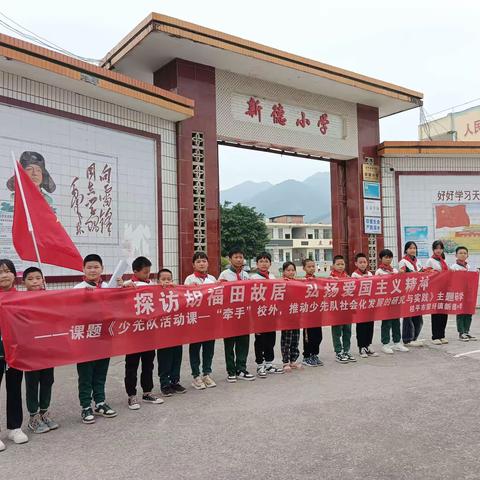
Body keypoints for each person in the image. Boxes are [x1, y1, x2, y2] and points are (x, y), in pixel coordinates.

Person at [74, 254, 118, 424]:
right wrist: (86, 297)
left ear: (102, 269)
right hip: (85, 337)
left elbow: (118, 304)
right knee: (85, 373)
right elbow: (72, 312)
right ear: (83, 269)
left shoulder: (107, 286)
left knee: (101, 371)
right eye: (89, 267)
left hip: (104, 335)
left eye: (96, 267)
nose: (93, 270)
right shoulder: (78, 288)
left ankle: (100, 402)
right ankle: (85, 406)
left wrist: (120, 287)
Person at [124, 256, 163, 410]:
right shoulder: (129, 285)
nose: (148, 275)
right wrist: (124, 287)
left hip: (149, 331)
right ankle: (131, 395)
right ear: (135, 271)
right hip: (134, 332)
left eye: (149, 272)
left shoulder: (151, 285)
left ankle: (147, 392)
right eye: (145, 272)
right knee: (132, 365)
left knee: (148, 364)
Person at [23, 267, 59, 434]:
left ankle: (44, 412)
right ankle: (33, 417)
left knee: (47, 380)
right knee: (32, 383)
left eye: (38, 278)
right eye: (30, 279)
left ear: (43, 280)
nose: (35, 281)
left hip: (48, 348)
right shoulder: (20, 300)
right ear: (24, 282)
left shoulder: (49, 298)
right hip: (30, 350)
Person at [0, 259, 28, 450]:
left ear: (14, 274)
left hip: (16, 350)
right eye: (0, 272)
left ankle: (14, 427)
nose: (4, 275)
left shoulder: (22, 298)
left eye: (8, 271)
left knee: (15, 388)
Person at [218, 247, 255, 382]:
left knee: (243, 343)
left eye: (241, 257)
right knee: (229, 344)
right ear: (230, 259)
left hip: (243, 313)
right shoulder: (224, 274)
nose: (239, 259)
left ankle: (241, 368)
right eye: (236, 257)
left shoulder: (246, 275)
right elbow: (219, 293)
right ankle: (231, 371)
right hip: (229, 314)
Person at [184, 252, 217, 390]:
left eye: (204, 261)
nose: (201, 263)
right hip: (196, 319)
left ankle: (206, 374)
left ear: (208, 263)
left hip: (210, 319)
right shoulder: (189, 280)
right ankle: (196, 376)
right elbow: (185, 299)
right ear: (193, 265)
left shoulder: (212, 278)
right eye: (198, 262)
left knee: (209, 348)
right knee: (195, 348)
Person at [251, 252, 283, 377]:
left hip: (271, 313)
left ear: (270, 263)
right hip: (259, 314)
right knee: (260, 340)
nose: (264, 264)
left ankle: (269, 363)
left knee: (271, 339)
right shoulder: (253, 278)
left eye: (266, 261)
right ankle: (260, 365)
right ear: (257, 263)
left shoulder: (273, 277)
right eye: (261, 261)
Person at [156, 268, 187, 396]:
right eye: (163, 279)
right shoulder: (154, 293)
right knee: (164, 358)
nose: (167, 282)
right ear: (158, 281)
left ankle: (175, 381)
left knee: (176, 357)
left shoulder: (177, 292)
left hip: (176, 331)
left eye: (169, 279)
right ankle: (164, 383)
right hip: (163, 333)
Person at [376, 249, 409, 355]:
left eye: (390, 257)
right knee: (386, 322)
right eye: (386, 257)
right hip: (385, 301)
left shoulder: (395, 271)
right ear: (380, 259)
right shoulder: (379, 272)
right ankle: (385, 343)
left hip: (395, 301)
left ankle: (397, 342)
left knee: (396, 322)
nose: (388, 259)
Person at [330, 255, 356, 364]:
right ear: (333, 266)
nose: (340, 266)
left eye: (342, 264)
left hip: (347, 308)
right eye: (338, 264)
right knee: (337, 331)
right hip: (336, 308)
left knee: (347, 331)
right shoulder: (331, 278)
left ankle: (346, 350)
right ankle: (338, 352)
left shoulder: (347, 276)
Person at [351, 253, 378, 358]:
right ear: (356, 263)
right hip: (360, 305)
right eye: (360, 262)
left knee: (370, 326)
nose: (363, 264)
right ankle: (361, 347)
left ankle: (368, 345)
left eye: (364, 262)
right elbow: (354, 289)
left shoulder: (370, 274)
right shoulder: (354, 275)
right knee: (361, 326)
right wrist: (362, 279)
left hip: (369, 304)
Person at [398, 241, 425, 347]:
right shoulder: (403, 262)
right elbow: (403, 274)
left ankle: (414, 338)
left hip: (418, 292)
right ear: (406, 250)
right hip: (408, 293)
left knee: (418, 316)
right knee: (408, 316)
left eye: (414, 248)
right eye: (410, 248)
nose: (412, 250)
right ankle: (407, 339)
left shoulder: (418, 262)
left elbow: (423, 273)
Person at [425, 240, 449, 345]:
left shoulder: (443, 260)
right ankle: (435, 336)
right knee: (436, 314)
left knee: (444, 313)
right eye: (436, 248)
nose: (438, 250)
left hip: (444, 289)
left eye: (440, 248)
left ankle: (442, 335)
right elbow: (427, 274)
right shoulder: (430, 260)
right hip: (435, 290)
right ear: (433, 249)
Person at [450, 246, 477, 342]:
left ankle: (467, 331)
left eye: (465, 253)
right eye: (460, 253)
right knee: (460, 313)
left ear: (467, 255)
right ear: (456, 255)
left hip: (469, 293)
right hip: (459, 293)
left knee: (468, 312)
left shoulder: (469, 267)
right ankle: (461, 333)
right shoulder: (454, 267)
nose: (463, 254)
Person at [301, 258, 323, 367]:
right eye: (309, 266)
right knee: (308, 336)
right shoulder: (302, 281)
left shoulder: (319, 280)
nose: (311, 268)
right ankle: (306, 356)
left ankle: (314, 354)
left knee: (318, 336)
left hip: (317, 313)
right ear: (304, 268)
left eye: (313, 266)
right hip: (307, 314)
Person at [280, 262, 301, 372]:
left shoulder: (298, 283)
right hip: (286, 316)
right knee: (286, 339)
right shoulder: (281, 283)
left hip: (296, 314)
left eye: (293, 270)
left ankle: (293, 360)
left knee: (295, 338)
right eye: (288, 270)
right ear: (283, 271)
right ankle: (285, 361)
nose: (291, 272)